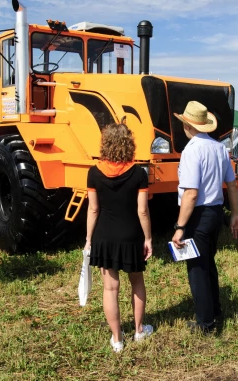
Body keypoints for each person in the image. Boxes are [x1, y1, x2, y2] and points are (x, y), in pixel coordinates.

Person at [171, 101, 238, 333]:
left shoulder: (192, 151)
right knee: (208, 263)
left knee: (197, 269)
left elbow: (191, 194)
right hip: (215, 211)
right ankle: (215, 309)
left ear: (187, 125)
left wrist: (180, 226)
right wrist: (235, 215)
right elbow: (232, 185)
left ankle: (206, 323)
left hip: (198, 214)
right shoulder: (219, 148)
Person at [84, 123, 153, 353]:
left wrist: (88, 239)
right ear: (129, 144)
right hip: (131, 235)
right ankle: (139, 330)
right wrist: (148, 238)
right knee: (137, 282)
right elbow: (142, 211)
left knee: (110, 289)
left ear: (105, 144)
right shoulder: (138, 173)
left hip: (104, 237)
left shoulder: (93, 172)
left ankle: (117, 339)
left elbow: (93, 210)